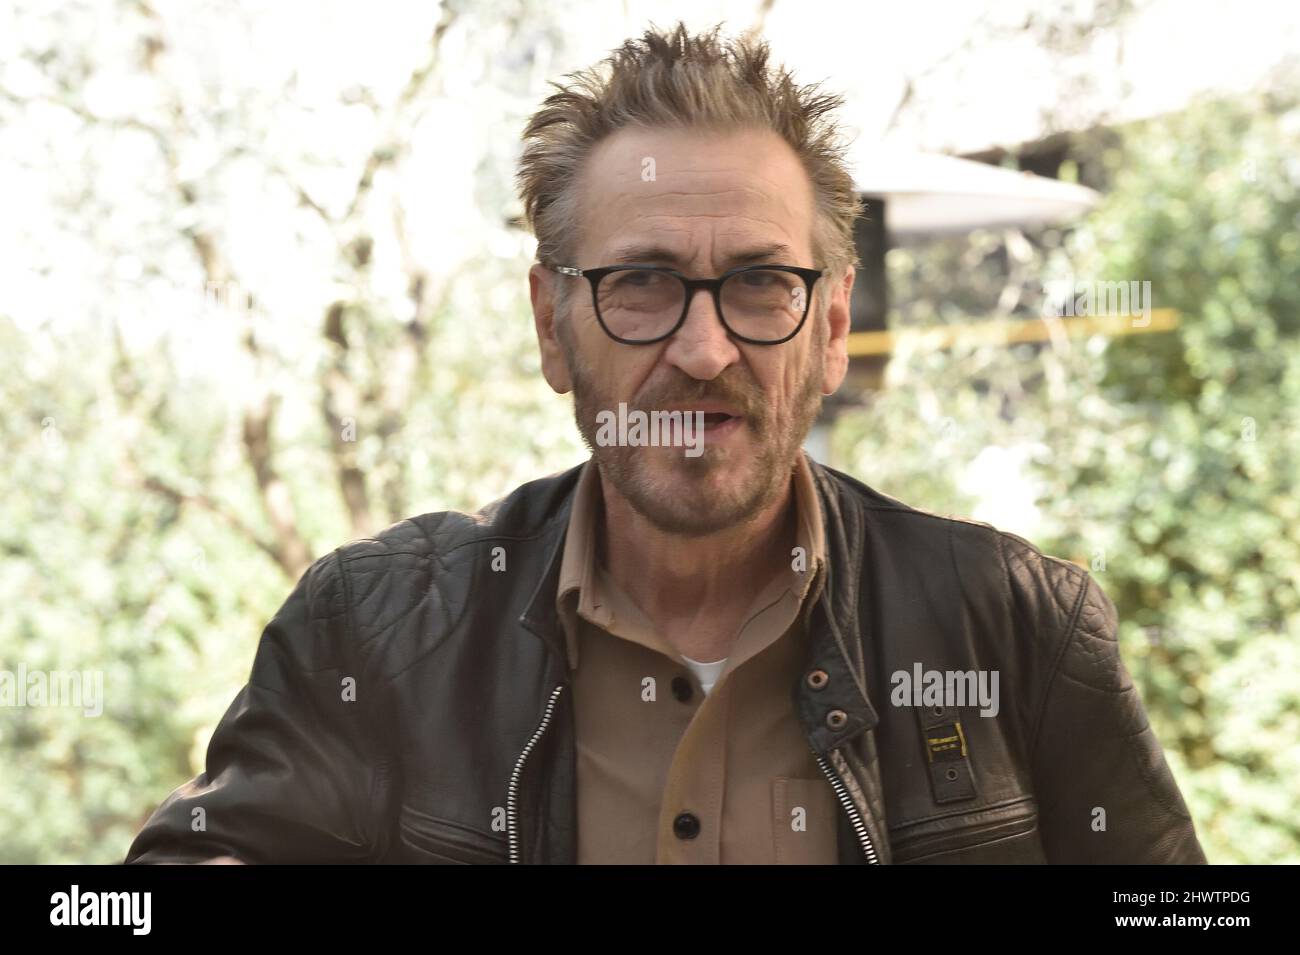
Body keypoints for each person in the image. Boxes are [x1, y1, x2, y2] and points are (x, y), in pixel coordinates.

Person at [126, 22, 1205, 864]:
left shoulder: (1018, 628)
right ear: (552, 324)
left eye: (758, 282)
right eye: (640, 282)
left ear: (830, 329)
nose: (703, 347)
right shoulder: (375, 631)